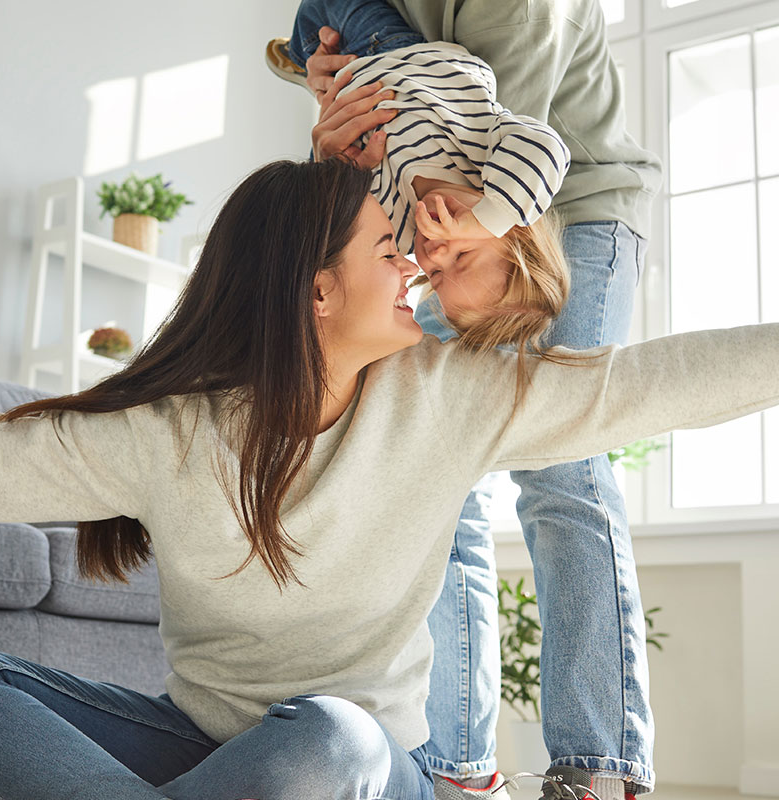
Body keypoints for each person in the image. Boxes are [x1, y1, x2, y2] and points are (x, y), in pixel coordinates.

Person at [0, 159, 773, 800]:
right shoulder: (172, 435)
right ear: (318, 293)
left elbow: (650, 382)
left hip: (361, 769)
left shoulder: (457, 398)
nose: (415, 258)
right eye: (387, 247)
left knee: (338, 740)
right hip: (205, 748)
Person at [274, 2, 665, 798]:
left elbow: (502, 136)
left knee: (561, 466)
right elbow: (382, 165)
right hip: (453, 237)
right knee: (435, 478)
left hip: (565, 212)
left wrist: (443, 220)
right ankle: (454, 768)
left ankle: (600, 765)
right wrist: (334, 95)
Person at [268, 0, 575, 367]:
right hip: (401, 52)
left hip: (350, 83)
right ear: (516, 229)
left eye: (436, 275)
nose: (434, 255)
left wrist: (328, 162)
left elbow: (329, 208)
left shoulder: (395, 224)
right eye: (462, 256)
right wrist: (483, 218)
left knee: (314, 29)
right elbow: (547, 148)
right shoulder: (486, 159)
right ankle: (302, 58)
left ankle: (303, 60)